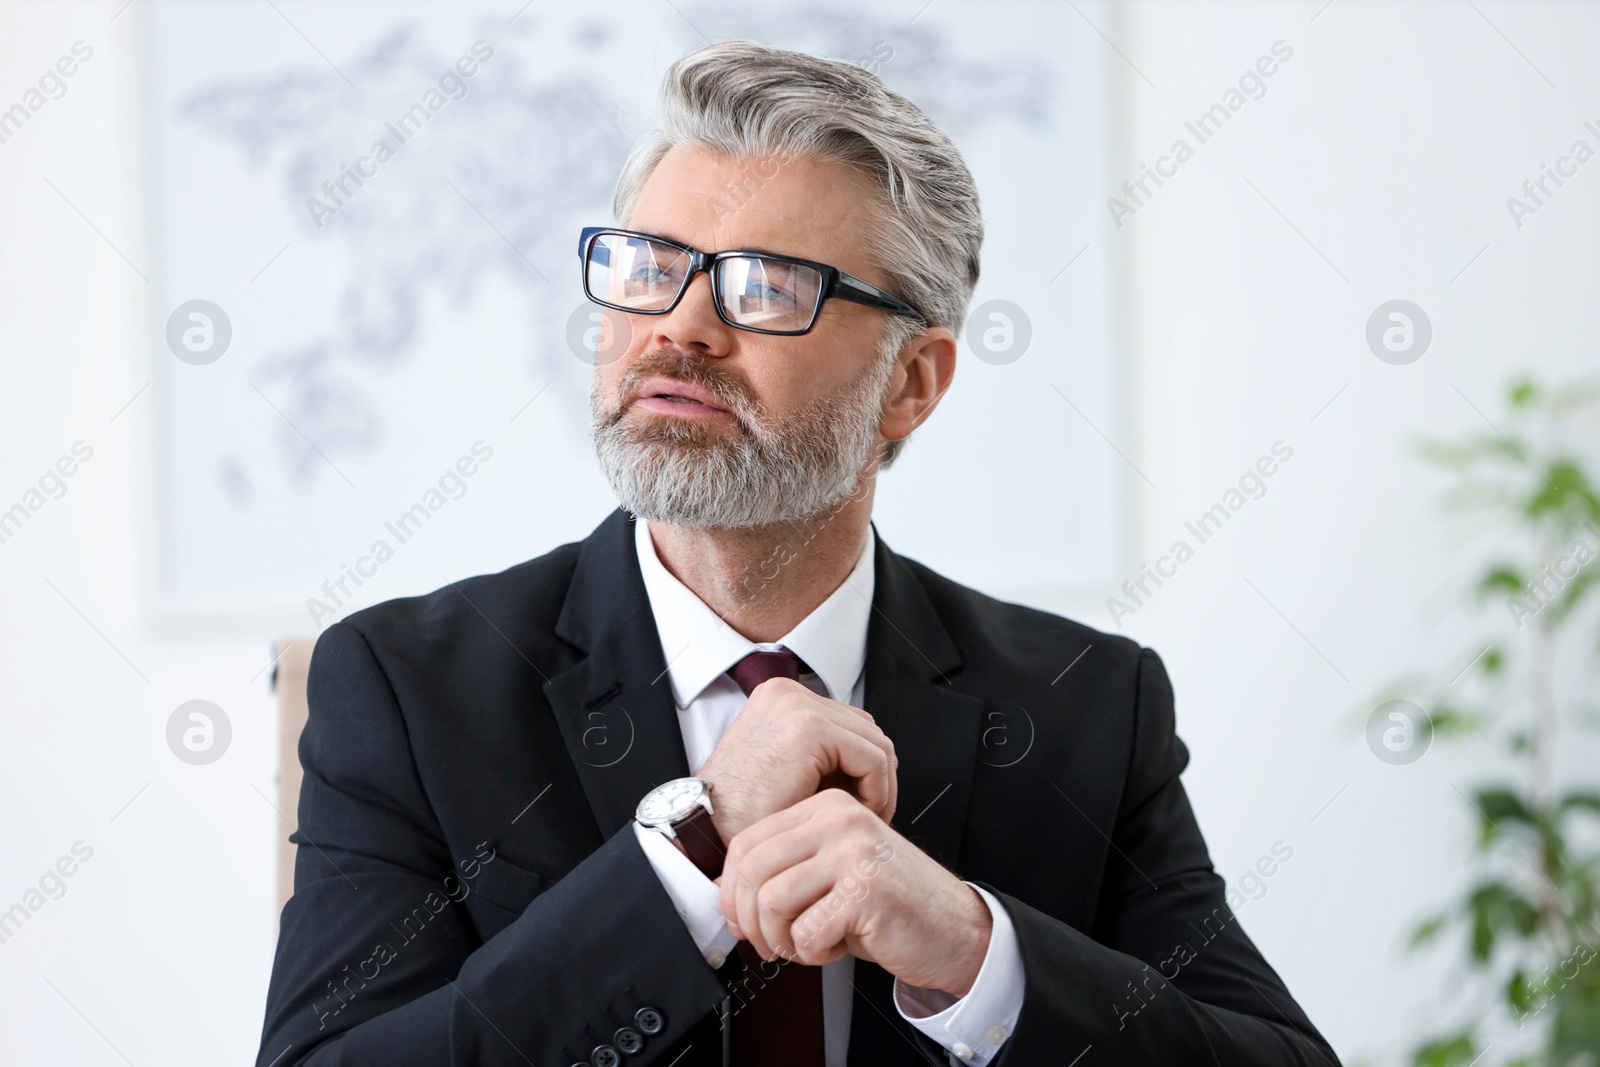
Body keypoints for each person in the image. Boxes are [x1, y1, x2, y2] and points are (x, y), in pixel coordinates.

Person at [257, 38, 1337, 1067]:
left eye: (763, 285)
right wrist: (692, 849)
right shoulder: (406, 689)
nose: (677, 327)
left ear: (910, 383)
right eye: (650, 266)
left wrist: (973, 953)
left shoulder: (1088, 705)